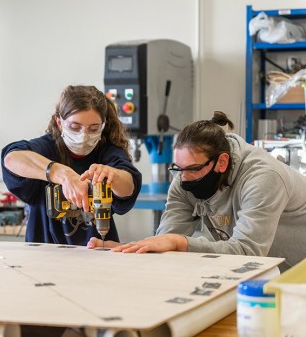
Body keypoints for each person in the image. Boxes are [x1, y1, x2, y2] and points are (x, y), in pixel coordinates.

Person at [89, 111, 306, 272]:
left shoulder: (264, 177)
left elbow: (248, 251)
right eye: (178, 169)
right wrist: (128, 250)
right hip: (265, 273)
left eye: (192, 169)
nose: (183, 179)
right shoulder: (184, 175)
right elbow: (165, 240)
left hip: (297, 273)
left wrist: (181, 242)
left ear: (221, 162)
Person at [1, 85, 142, 245]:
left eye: (93, 128)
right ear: (59, 123)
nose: (84, 135)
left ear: (103, 125)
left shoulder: (107, 152)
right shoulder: (46, 148)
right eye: (75, 127)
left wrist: (113, 175)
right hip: (45, 255)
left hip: (97, 253)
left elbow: (129, 185)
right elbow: (11, 159)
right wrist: (63, 175)